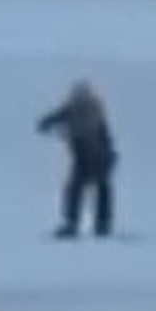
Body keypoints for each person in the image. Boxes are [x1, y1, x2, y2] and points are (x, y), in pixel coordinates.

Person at [37, 80, 117, 238]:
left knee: (81, 189)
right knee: (92, 189)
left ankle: (83, 224)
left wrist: (49, 124)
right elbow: (60, 116)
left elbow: (67, 120)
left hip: (92, 155)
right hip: (90, 155)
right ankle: (99, 224)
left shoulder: (87, 110)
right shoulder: (88, 108)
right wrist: (47, 123)